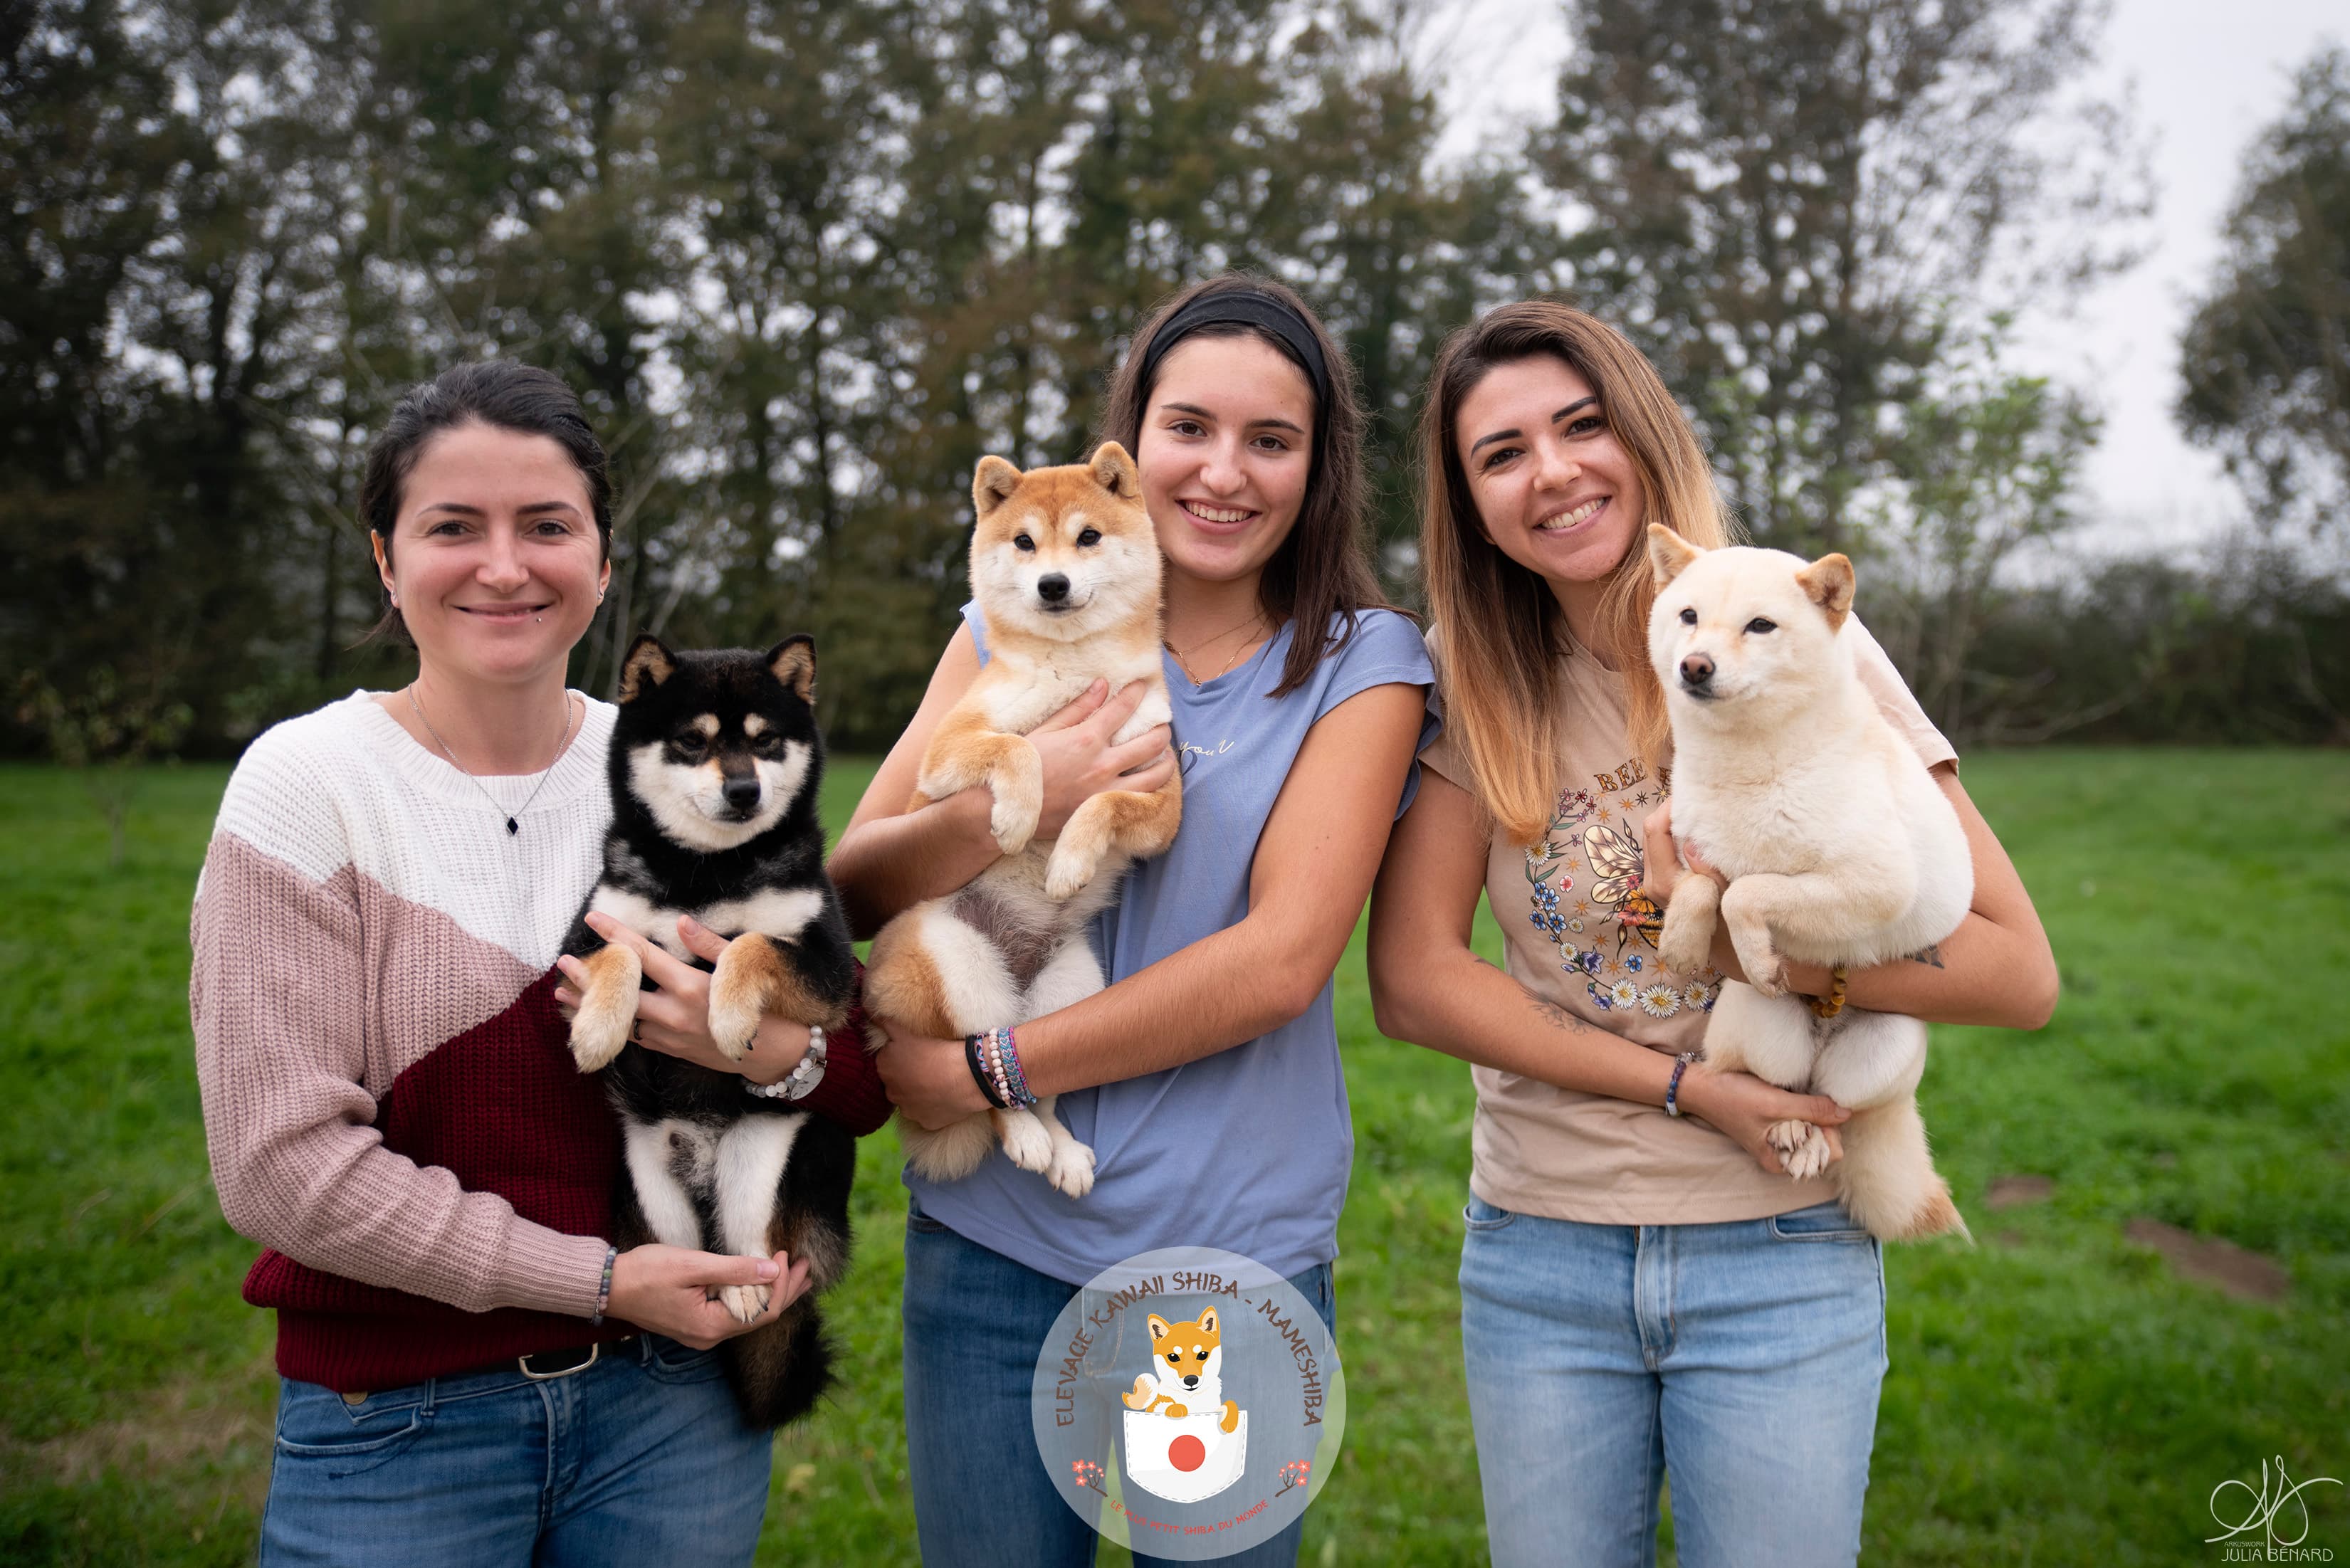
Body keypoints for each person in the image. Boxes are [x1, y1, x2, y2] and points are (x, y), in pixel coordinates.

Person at [1366, 300, 2057, 1568]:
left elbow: (2017, 972)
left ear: (1642, 436)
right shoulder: (1466, 675)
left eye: (1581, 426)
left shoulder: (1795, 630)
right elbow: (1413, 980)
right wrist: (1689, 1089)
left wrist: (1770, 951)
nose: (1552, 471)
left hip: (1779, 1241)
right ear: (1469, 504)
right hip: (1540, 1249)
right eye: (1501, 453)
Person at [189, 360, 890, 1564]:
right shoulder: (306, 787)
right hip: (400, 1421)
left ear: (603, 564)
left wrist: (773, 1056)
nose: (505, 566)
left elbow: (862, 1079)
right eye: (453, 527)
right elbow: (280, 1171)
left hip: (679, 1405)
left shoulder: (685, 774)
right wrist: (598, 1283)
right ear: (385, 558)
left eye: (548, 526)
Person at [829, 273, 1434, 1567]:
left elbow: (1278, 964)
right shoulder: (1002, 628)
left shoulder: (1363, 663)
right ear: (1129, 443)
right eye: (1188, 428)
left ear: (1318, 468)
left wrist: (982, 1070)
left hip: (1227, 1258)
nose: (1222, 472)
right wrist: (1017, 799)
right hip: (993, 1245)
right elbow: (853, 883)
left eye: (1270, 440)